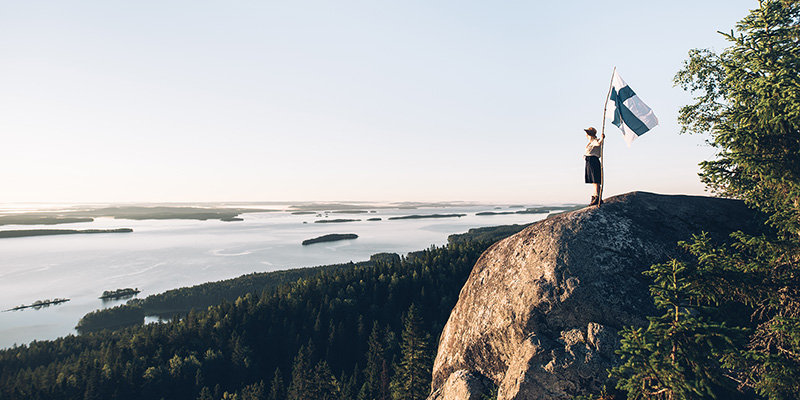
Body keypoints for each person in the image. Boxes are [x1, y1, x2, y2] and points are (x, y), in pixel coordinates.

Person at [584, 127, 604, 205]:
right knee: (593, 180)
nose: (586, 135)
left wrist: (602, 138)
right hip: (589, 160)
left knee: (595, 179)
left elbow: (598, 143)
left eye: (587, 134)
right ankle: (595, 195)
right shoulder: (590, 142)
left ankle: (597, 197)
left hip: (593, 160)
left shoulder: (595, 141)